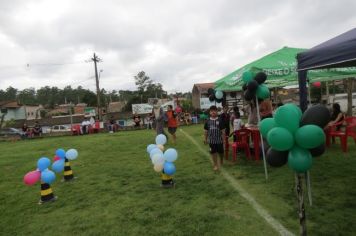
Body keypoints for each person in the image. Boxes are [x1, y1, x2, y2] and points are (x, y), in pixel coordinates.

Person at [204, 105, 225, 171]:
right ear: (210, 112)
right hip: (211, 141)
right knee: (213, 153)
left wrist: (224, 140)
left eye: (214, 111)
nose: (213, 112)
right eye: (211, 111)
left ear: (217, 112)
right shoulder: (207, 121)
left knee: (221, 152)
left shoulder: (220, 120)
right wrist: (205, 139)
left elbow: (223, 131)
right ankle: (215, 165)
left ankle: (221, 160)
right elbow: (205, 130)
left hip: (219, 141)